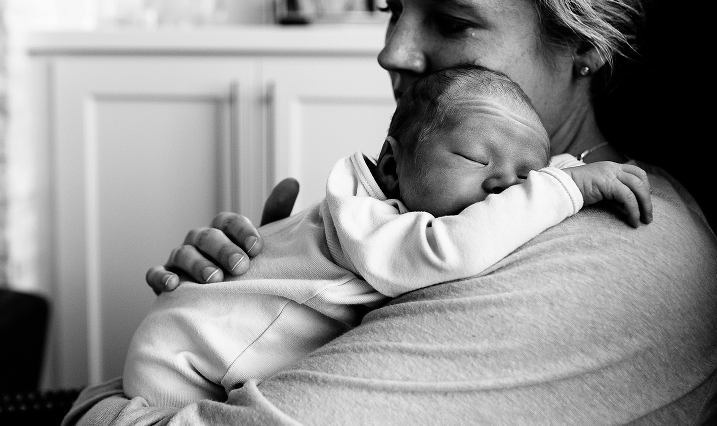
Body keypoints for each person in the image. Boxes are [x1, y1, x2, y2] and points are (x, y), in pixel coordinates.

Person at [65, 0, 717, 424]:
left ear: (586, 39)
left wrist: (102, 400)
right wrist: (244, 307)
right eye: (393, 8)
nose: (392, 51)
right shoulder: (455, 202)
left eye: (452, 20)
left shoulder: (599, 261)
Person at [121, 66, 652, 407]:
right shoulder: (372, 223)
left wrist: (560, 172)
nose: (505, 188)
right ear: (392, 169)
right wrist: (564, 187)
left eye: (526, 177)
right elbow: (456, 247)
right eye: (473, 157)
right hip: (178, 364)